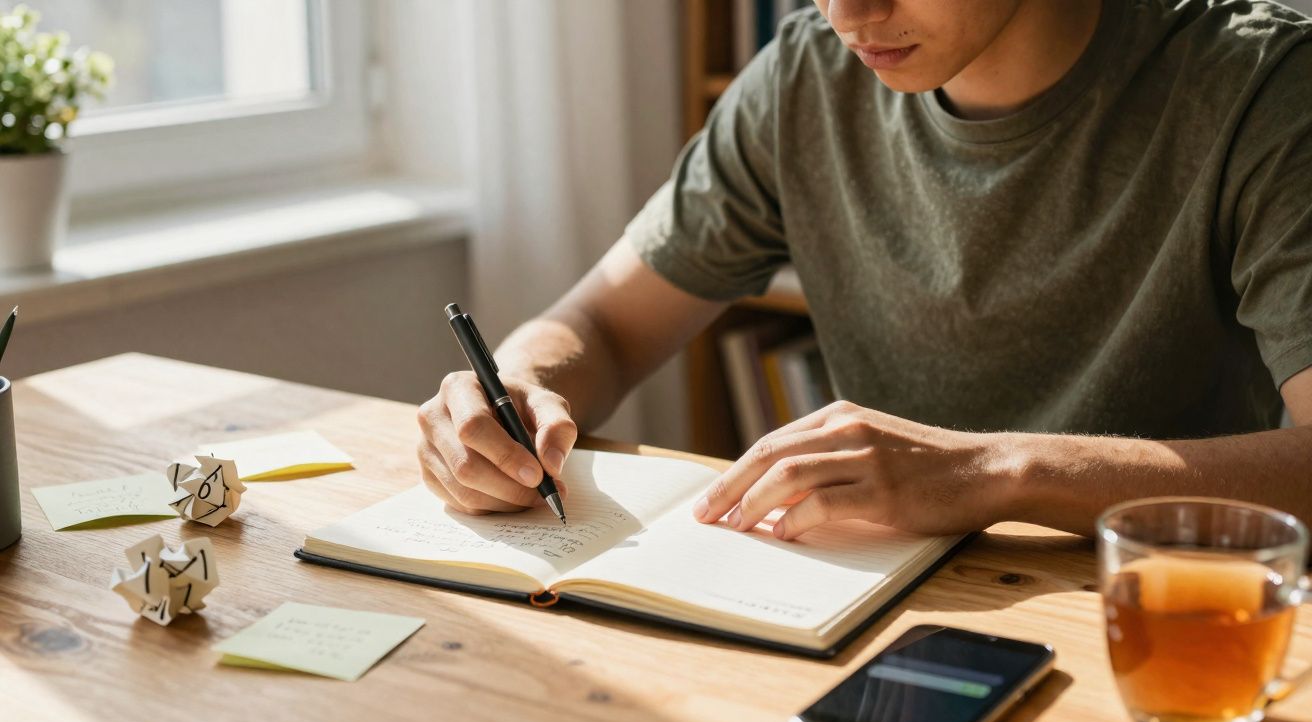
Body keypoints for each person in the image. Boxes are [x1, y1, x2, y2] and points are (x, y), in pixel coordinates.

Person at [418, 0, 1312, 541]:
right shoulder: (802, 78)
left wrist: (996, 471)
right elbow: (605, 324)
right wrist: (521, 390)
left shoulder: (1263, 87)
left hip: (1165, 621)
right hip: (875, 610)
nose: (846, 16)